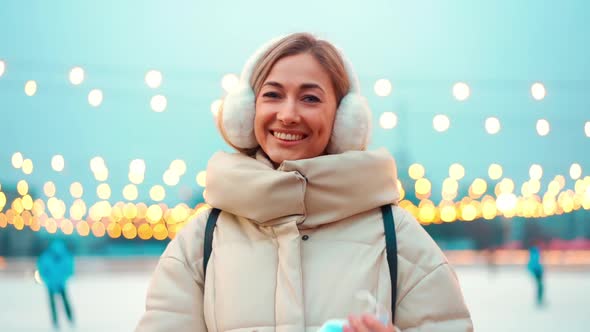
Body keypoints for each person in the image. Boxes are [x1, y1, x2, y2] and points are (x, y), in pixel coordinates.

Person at [136, 32, 472, 331]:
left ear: (343, 119)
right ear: (247, 110)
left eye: (310, 98)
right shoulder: (201, 241)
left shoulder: (398, 239)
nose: (288, 114)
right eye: (272, 95)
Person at [37, 239, 75, 329]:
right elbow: (42, 270)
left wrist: (60, 280)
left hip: (59, 284)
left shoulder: (63, 257)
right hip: (52, 284)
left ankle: (68, 320)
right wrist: (49, 280)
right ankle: (58, 321)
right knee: (55, 304)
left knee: (63, 303)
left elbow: (69, 270)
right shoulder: (47, 257)